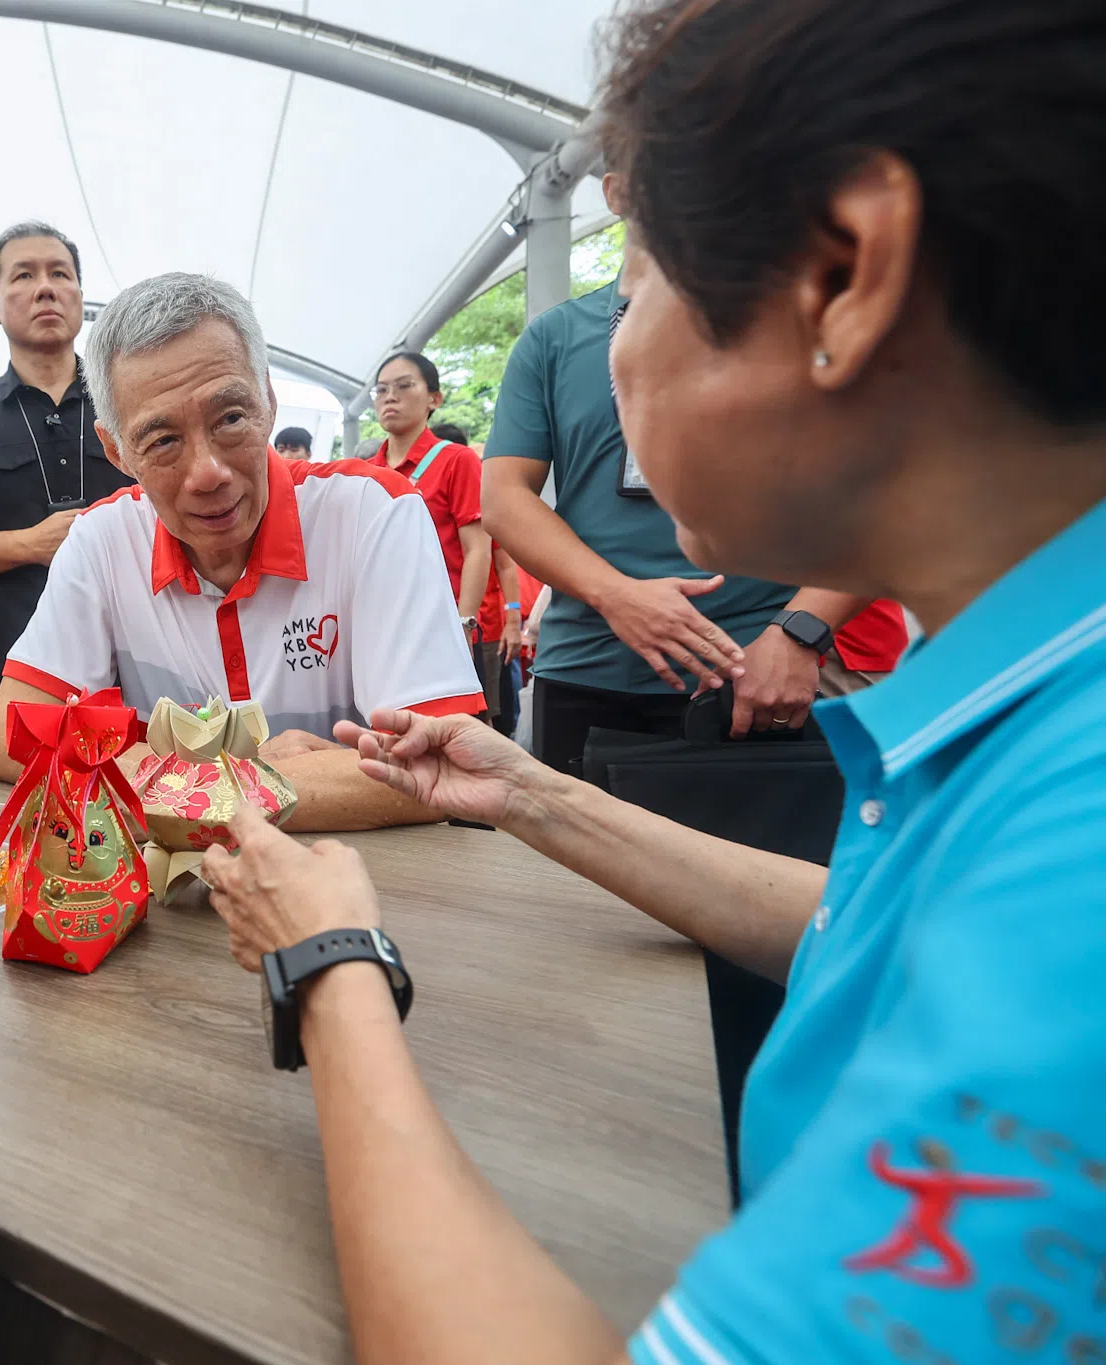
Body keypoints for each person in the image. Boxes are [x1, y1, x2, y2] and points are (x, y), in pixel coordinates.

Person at [201, 1, 1106, 1360]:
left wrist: (326, 962)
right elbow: (871, 929)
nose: (613, 350)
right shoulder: (1034, 710)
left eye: (637, 290)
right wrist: (534, 796)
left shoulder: (1074, 874)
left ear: (844, 275)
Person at [0, 273, 485, 832]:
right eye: (163, 440)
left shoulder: (372, 512)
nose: (208, 473)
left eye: (230, 418)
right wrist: (242, 775)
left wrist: (175, 782)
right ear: (117, 451)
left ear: (267, 401)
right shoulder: (102, 539)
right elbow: (12, 735)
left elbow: (439, 764)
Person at [483, 182, 880, 773]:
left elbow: (883, 498)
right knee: (571, 835)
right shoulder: (555, 337)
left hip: (752, 674)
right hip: (587, 667)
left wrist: (800, 633)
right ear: (616, 191)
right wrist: (616, 596)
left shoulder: (803, 322)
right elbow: (503, 498)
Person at [0, 221, 135, 720]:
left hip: (142, 665)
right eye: (24, 276)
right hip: (20, 670)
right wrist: (28, 544)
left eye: (60, 273)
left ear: (80, 298)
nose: (45, 288)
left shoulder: (129, 403)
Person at [366, 354, 521, 728]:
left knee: (462, 735)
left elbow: (478, 549)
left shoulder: (457, 460)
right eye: (381, 390)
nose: (390, 397)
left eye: (404, 386)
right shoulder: (367, 471)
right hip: (391, 634)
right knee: (394, 734)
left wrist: (463, 625)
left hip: (446, 629)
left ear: (434, 399)